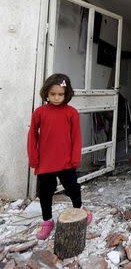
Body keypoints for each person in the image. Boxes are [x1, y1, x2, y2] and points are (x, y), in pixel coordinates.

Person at [27, 73, 92, 240]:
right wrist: (33, 158)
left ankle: (80, 209)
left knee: (72, 189)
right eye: (53, 94)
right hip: (45, 162)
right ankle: (47, 221)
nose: (56, 98)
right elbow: (32, 136)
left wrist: (75, 158)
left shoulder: (72, 113)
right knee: (45, 193)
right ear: (46, 94)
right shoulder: (39, 113)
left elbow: (76, 138)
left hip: (66, 162)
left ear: (67, 94)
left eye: (60, 94)